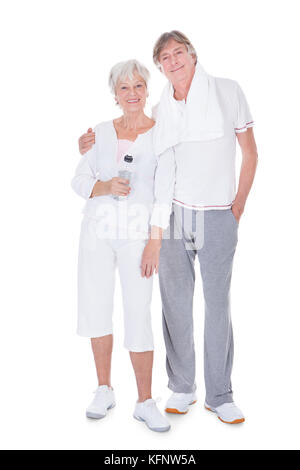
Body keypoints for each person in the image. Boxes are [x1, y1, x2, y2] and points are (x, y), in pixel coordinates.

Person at [78, 31, 258, 425]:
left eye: (179, 53)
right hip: (175, 216)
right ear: (160, 67)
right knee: (175, 305)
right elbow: (138, 152)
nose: (173, 61)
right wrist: (88, 147)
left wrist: (238, 206)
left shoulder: (228, 92)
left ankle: (221, 394)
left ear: (192, 55)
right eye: (165, 57)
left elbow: (250, 151)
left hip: (217, 214)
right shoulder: (162, 109)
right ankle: (181, 386)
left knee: (217, 304)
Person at [71, 59, 175, 432]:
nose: (132, 94)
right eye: (124, 88)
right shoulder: (99, 132)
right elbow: (80, 179)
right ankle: (103, 389)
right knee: (96, 306)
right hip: (96, 232)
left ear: (147, 90)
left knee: (138, 312)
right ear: (115, 95)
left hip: (137, 236)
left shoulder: (161, 135)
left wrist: (154, 243)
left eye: (138, 86)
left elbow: (164, 193)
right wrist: (103, 187)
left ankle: (145, 401)